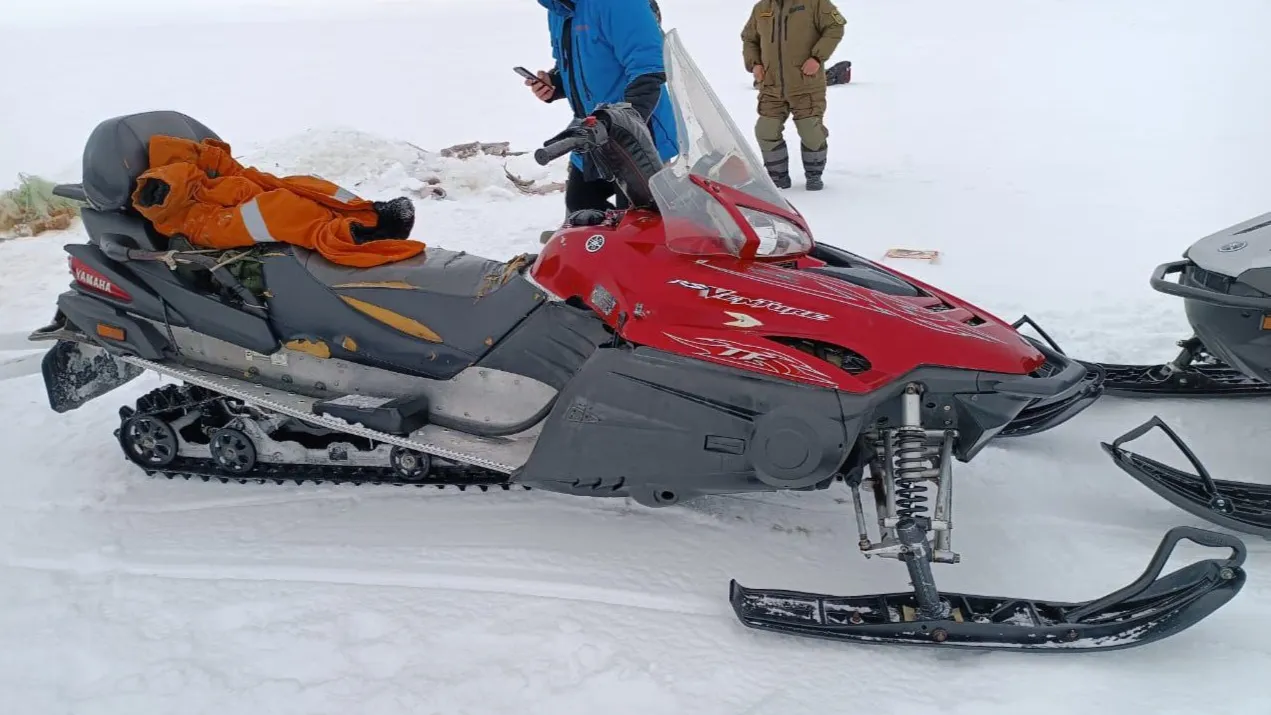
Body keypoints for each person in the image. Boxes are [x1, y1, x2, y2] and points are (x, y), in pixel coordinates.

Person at [526, 0, 678, 221]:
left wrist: (625, 121)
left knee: (638, 223)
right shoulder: (558, 9)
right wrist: (554, 83)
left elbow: (649, 69)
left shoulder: (619, 4)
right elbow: (570, 63)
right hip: (590, 131)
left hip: (638, 135)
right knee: (580, 209)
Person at [741, 0, 846, 191]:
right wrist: (755, 63)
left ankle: (814, 176)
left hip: (806, 84)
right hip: (771, 86)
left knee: (811, 132)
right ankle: (778, 180)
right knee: (765, 131)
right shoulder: (762, 8)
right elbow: (749, 38)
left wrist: (817, 57)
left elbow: (835, 26)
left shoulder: (815, 3)